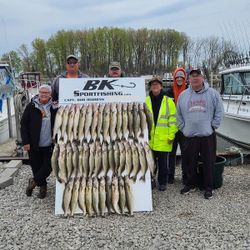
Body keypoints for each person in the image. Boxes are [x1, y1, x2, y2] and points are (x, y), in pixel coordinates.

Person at [177, 68, 224, 199]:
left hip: (207, 135)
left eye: (198, 76)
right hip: (189, 136)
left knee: (209, 162)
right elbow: (178, 114)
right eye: (192, 76)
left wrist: (213, 126)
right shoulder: (183, 95)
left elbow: (219, 112)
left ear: (202, 78)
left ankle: (208, 187)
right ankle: (190, 184)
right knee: (189, 162)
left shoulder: (213, 94)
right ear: (189, 79)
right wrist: (183, 128)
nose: (195, 78)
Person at [21, 84, 58, 199]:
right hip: (33, 144)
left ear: (50, 94)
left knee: (49, 166)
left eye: (46, 92)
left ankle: (34, 181)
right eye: (42, 92)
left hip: (50, 144)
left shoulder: (55, 107)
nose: (43, 94)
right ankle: (43, 186)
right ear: (38, 93)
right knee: (36, 167)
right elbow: (23, 125)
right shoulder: (31, 106)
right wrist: (25, 142)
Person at [145, 77, 178, 191]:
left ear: (161, 86)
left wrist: (171, 135)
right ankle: (151, 181)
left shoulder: (169, 101)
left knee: (164, 164)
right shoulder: (145, 100)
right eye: (153, 84)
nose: (155, 86)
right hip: (149, 139)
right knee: (151, 163)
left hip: (164, 139)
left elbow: (173, 120)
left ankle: (162, 182)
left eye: (157, 84)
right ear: (150, 87)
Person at [165, 67, 188, 184]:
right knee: (171, 152)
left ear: (185, 79)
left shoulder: (189, 91)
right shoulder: (168, 92)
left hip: (184, 128)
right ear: (174, 78)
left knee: (185, 152)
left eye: (181, 77)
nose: (179, 79)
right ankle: (170, 175)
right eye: (177, 77)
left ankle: (185, 175)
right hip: (172, 128)